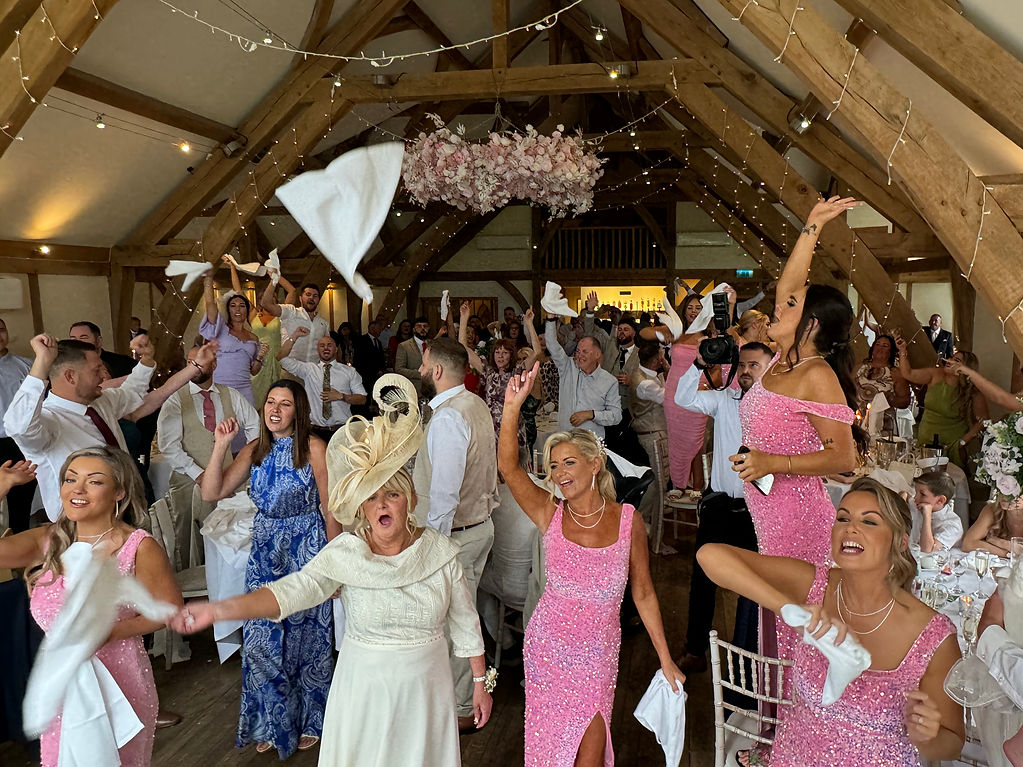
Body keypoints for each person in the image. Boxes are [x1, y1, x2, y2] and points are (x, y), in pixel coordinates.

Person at [170, 374, 491, 766]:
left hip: (425, 690)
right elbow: (291, 591)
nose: (381, 505)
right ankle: (274, 724)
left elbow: (465, 621)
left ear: (409, 499)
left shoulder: (439, 553)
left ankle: (308, 719)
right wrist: (220, 609)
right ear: (360, 508)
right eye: (371, 498)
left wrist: (480, 682)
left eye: (392, 494)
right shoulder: (347, 554)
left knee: (313, 647)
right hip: (359, 685)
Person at [698, 478, 965, 766]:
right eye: (843, 518)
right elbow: (709, 556)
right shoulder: (817, 585)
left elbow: (951, 745)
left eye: (869, 522)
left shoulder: (935, 637)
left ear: (900, 542)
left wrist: (929, 736)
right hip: (793, 758)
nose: (850, 528)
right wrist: (790, 611)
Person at [499, 364, 685, 767]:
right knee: (550, 751)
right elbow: (510, 469)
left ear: (594, 464)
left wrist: (665, 658)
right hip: (548, 648)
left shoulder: (628, 521)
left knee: (590, 755)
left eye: (568, 463)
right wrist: (511, 408)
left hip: (598, 654)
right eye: (553, 466)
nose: (559, 474)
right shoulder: (550, 513)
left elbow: (644, 593)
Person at [730, 197, 860, 681]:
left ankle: (793, 719)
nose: (778, 306)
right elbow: (789, 284)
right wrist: (812, 226)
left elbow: (844, 456)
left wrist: (772, 462)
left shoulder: (815, 373)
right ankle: (782, 717)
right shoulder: (783, 361)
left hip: (798, 520)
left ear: (812, 324)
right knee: (781, 620)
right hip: (771, 515)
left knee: (794, 626)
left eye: (790, 306)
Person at [0, 446, 182, 767]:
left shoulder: (138, 546)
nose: (77, 490)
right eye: (70, 480)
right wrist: (1, 489)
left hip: (123, 683)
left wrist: (111, 632)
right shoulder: (49, 540)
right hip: (63, 687)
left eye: (94, 481)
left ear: (119, 492)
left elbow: (169, 610)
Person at [199, 379, 337, 758]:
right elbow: (212, 492)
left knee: (305, 639)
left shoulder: (314, 448)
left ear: (298, 410)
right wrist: (220, 447)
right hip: (265, 551)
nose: (275, 410)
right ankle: (270, 721)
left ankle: (311, 720)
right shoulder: (254, 449)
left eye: (284, 404)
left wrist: (334, 564)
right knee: (262, 637)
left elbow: (331, 508)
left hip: (306, 548)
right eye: (271, 402)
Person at [4, 334, 215, 522]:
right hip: (82, 526)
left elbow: (133, 391)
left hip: (126, 510)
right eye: (96, 370)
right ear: (70, 376)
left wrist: (148, 360)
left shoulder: (100, 402)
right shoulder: (48, 422)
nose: (103, 375)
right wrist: (41, 362)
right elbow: (19, 427)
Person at [412, 337, 498, 732]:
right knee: (463, 616)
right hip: (478, 525)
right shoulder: (475, 404)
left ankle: (463, 707)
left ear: (437, 371)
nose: (419, 371)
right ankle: (457, 698)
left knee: (455, 624)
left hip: (456, 536)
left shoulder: (448, 417)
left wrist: (432, 549)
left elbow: (445, 495)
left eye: (423, 365)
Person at [674, 341, 774, 673]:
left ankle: (747, 662)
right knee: (702, 581)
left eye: (754, 365)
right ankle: (695, 650)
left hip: (757, 511)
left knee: (755, 586)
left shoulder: (778, 410)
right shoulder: (724, 400)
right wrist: (699, 364)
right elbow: (683, 398)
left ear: (770, 369)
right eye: (742, 365)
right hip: (719, 506)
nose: (745, 371)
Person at [156, 344, 260, 570]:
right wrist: (198, 473)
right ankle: (191, 580)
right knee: (188, 539)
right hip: (187, 483)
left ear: (214, 364)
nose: (194, 368)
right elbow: (169, 446)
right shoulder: (175, 399)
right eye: (190, 363)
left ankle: (226, 579)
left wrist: (245, 460)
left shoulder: (230, 395)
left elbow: (255, 426)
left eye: (201, 363)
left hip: (227, 482)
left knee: (232, 536)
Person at [644, 288, 732, 492]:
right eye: (690, 307)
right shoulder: (676, 332)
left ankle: (697, 488)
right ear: (684, 311)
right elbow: (643, 333)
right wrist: (663, 333)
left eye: (698, 308)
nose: (693, 311)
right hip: (674, 394)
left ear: (705, 311)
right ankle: (679, 485)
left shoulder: (710, 335)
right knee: (676, 442)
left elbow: (718, 368)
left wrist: (707, 384)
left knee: (696, 442)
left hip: (698, 393)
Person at [221, 256, 297, 408]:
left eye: (273, 298)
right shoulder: (253, 314)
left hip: (276, 361)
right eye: (264, 298)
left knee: (273, 400)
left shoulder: (282, 315)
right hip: (257, 360)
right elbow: (238, 291)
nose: (269, 301)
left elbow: (292, 291)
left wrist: (275, 275)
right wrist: (232, 268)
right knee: (252, 399)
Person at [898, 344, 989, 468]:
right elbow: (907, 374)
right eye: (951, 357)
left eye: (956, 360)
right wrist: (902, 350)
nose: (949, 361)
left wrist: (963, 441)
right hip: (925, 441)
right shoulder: (935, 374)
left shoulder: (972, 390)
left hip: (951, 446)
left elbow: (984, 420)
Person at [543, 309, 621, 438]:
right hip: (566, 439)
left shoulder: (609, 381)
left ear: (597, 354)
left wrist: (591, 414)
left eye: (585, 352)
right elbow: (552, 345)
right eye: (578, 351)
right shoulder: (567, 367)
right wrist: (551, 319)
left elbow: (616, 416)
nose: (579, 356)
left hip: (591, 442)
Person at [280, 333, 367, 442]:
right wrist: (295, 336)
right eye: (322, 345)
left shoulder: (349, 371)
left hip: (342, 432)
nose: (326, 348)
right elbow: (281, 358)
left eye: (329, 345)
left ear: (336, 349)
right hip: (316, 432)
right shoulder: (309, 370)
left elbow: (362, 399)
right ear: (317, 350)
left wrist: (342, 396)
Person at [200, 271, 266, 407]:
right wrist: (208, 280)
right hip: (221, 387)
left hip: (245, 389)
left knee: (247, 419)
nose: (238, 309)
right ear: (228, 309)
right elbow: (210, 303)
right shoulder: (220, 329)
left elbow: (253, 371)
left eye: (242, 306)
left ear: (247, 310)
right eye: (233, 305)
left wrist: (260, 357)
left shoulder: (253, 337)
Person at [0, 317, 34, 530]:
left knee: (21, 502)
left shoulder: (27, 366)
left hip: (19, 442)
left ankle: (20, 539)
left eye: (1, 329)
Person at [261, 280, 330, 365]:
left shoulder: (324, 324)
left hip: (313, 370)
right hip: (289, 369)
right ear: (300, 298)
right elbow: (266, 304)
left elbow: (327, 349)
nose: (311, 298)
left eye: (315, 296)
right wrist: (274, 280)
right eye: (308, 295)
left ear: (318, 300)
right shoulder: (291, 312)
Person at [854, 334, 911, 411]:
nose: (880, 348)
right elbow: (846, 386)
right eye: (877, 344)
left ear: (890, 352)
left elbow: (905, 401)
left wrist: (889, 399)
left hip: (882, 416)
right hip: (856, 415)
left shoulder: (895, 372)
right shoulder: (860, 367)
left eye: (885, 346)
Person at [911, 471, 962, 552]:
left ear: (940, 500)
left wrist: (927, 515)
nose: (915, 498)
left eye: (922, 494)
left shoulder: (953, 525)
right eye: (916, 492)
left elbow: (927, 551)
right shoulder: (917, 505)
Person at [69, 321, 134, 379]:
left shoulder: (124, 363)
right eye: (73, 339)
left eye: (83, 338)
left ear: (98, 341)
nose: (77, 343)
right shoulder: (68, 365)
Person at [353, 318, 388, 400]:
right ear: (372, 329)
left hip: (377, 375)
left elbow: (380, 358)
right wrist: (374, 370)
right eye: (379, 329)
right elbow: (361, 359)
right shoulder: (361, 340)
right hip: (365, 374)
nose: (380, 331)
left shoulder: (378, 342)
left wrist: (382, 370)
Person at [395, 316, 430, 396]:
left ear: (429, 328)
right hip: (414, 389)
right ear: (414, 329)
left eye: (425, 326)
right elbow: (399, 369)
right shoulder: (404, 346)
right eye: (419, 326)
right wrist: (419, 374)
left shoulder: (433, 345)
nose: (423, 329)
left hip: (432, 390)